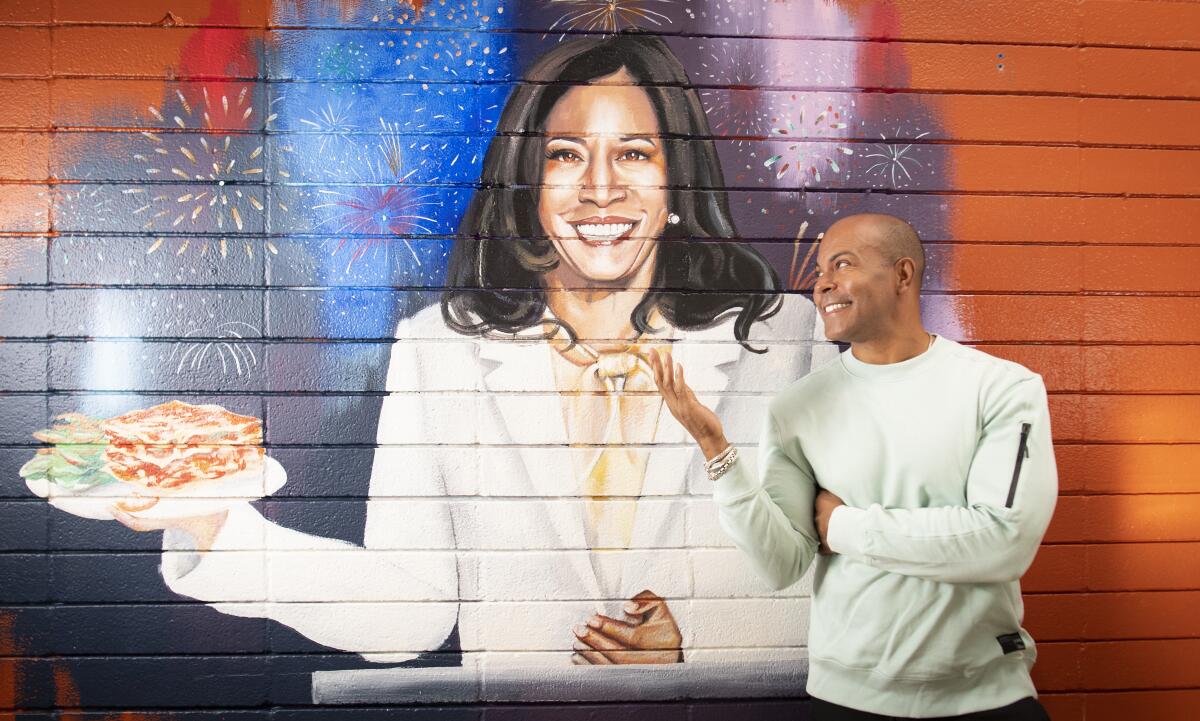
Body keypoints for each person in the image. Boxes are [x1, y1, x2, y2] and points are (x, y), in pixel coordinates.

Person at [111, 34, 831, 668]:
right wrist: (220, 530)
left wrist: (702, 639)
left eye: (634, 153)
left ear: (675, 177)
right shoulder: (438, 349)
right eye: (567, 156)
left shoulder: (789, 341)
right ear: (529, 184)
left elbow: (851, 569)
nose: (601, 188)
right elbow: (412, 609)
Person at [648, 213, 1056, 719]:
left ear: (903, 276)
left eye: (842, 265)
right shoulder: (797, 407)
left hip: (985, 699)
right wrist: (715, 449)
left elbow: (1001, 542)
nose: (822, 285)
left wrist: (844, 527)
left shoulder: (1002, 389)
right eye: (820, 271)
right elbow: (781, 564)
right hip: (846, 700)